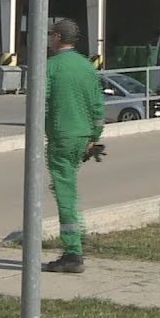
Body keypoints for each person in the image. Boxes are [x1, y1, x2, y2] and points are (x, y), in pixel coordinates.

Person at [42, 17, 105, 274]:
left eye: (50, 35)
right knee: (68, 188)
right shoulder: (87, 66)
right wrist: (94, 137)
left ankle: (73, 252)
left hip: (62, 135)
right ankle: (79, 236)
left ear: (58, 37)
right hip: (83, 136)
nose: (48, 39)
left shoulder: (50, 67)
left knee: (65, 192)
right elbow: (98, 107)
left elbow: (39, 103)